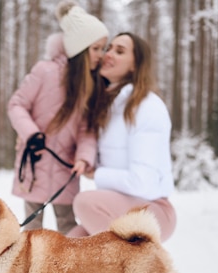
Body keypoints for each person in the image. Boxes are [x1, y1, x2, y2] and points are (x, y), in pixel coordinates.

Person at [7, 1, 108, 235]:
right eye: (96, 49)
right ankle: (30, 270)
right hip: (35, 163)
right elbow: (17, 104)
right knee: (32, 229)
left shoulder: (89, 85)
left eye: (102, 49)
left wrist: (84, 157)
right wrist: (31, 134)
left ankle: (68, 272)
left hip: (66, 169)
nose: (101, 56)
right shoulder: (44, 71)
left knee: (68, 226)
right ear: (80, 49)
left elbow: (87, 130)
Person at [67, 33, 177, 242]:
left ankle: (135, 264)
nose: (108, 54)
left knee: (85, 202)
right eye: (109, 48)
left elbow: (142, 183)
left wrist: (96, 174)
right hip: (121, 208)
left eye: (119, 51)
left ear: (136, 65)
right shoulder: (109, 108)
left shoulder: (147, 106)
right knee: (63, 254)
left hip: (154, 211)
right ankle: (122, 264)